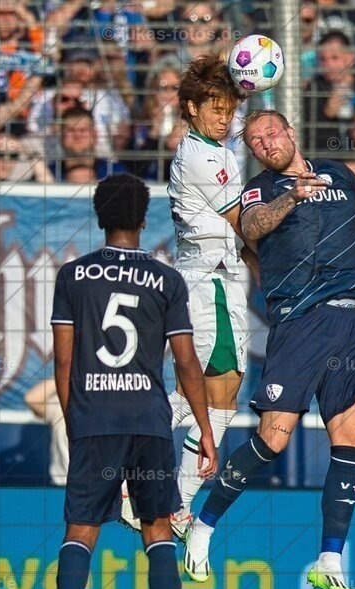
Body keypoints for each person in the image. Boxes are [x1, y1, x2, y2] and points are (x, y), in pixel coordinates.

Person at [182, 110, 355, 589]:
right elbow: (252, 225)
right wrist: (291, 195)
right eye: (255, 140)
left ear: (292, 131)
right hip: (298, 322)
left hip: (348, 322)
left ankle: (330, 559)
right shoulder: (259, 190)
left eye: (271, 133)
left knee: (352, 436)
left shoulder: (340, 174)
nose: (265, 143)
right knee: (272, 439)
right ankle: (203, 525)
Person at [24, 174, 217, 589]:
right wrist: (205, 428)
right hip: (150, 422)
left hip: (96, 419)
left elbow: (63, 365)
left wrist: (77, 421)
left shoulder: (72, 277)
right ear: (142, 219)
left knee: (81, 528)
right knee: (157, 531)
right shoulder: (167, 279)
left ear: (99, 217)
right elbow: (186, 363)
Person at [118, 53, 253, 547]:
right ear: (192, 108)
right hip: (208, 280)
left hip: (221, 277)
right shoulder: (200, 155)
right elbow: (244, 222)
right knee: (216, 395)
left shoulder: (218, 150)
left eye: (230, 108)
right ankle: (160, 492)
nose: (225, 116)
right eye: (215, 106)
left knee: (223, 397)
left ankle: (169, 500)